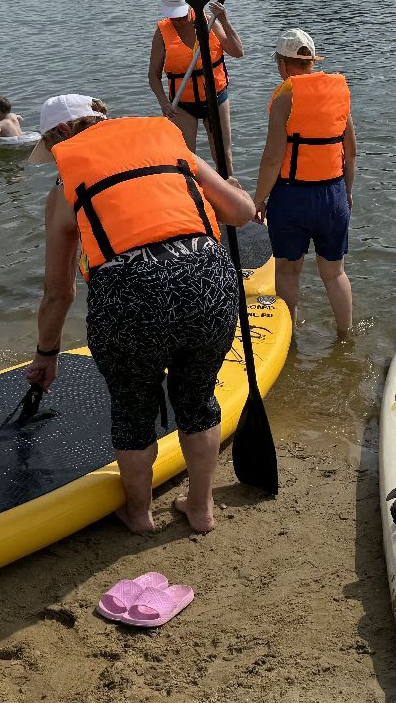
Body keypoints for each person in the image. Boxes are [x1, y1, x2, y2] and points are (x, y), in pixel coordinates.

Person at [25, 94, 256, 535]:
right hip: (208, 276)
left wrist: (46, 354)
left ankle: (139, 512)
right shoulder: (168, 144)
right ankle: (201, 507)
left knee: (132, 410)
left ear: (60, 136)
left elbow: (58, 293)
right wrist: (233, 186)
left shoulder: (62, 191)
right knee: (198, 399)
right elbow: (242, 213)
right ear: (101, 119)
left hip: (130, 294)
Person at [252, 29, 356, 338]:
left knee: (287, 271)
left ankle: (290, 342)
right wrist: (347, 192)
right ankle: (345, 336)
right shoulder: (340, 92)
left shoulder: (285, 97)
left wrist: (258, 199)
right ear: (311, 61)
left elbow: (273, 158)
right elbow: (350, 152)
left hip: (292, 197)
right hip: (333, 194)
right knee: (334, 273)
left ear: (282, 63)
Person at [147, 0, 245, 172]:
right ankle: (192, 197)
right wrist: (163, 103)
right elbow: (153, 75)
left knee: (224, 157)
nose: (179, 20)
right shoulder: (162, 32)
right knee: (184, 158)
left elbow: (238, 52)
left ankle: (229, 194)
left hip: (216, 98)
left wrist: (224, 19)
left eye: (182, 15)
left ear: (190, 6)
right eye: (173, 16)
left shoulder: (209, 23)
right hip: (182, 104)